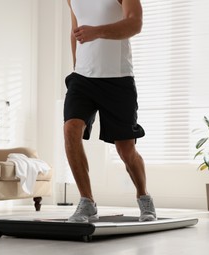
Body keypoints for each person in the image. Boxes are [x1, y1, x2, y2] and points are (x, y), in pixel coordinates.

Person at [64, 0, 156, 223]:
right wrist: (77, 66)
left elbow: (135, 23)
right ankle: (87, 202)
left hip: (118, 78)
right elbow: (75, 31)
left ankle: (144, 196)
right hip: (82, 78)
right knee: (71, 129)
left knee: (126, 151)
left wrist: (97, 32)